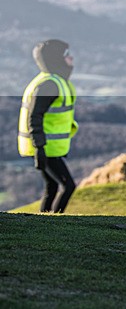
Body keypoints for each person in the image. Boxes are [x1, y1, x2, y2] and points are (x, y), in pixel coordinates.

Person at [18, 39, 78, 213]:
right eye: (66, 55)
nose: (71, 58)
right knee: (68, 186)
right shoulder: (49, 85)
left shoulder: (54, 82)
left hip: (47, 146)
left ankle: (43, 222)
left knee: (52, 185)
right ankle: (54, 224)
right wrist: (40, 148)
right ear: (57, 59)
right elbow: (34, 117)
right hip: (45, 147)